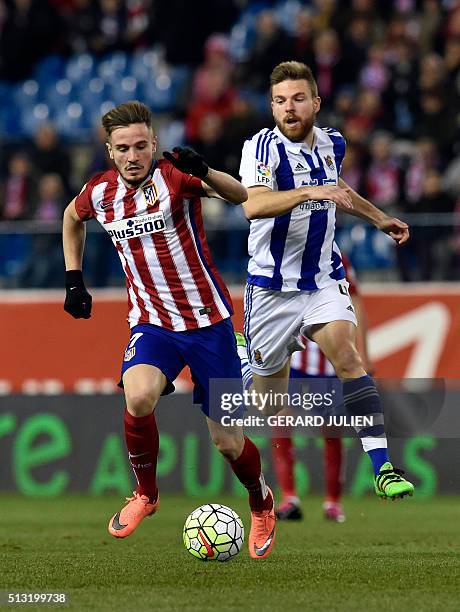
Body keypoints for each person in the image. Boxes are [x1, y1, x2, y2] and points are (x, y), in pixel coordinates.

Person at [62, 100, 276, 559]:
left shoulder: (174, 177)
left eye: (141, 145)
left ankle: (261, 502)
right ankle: (146, 494)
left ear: (153, 143)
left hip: (209, 325)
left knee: (227, 442)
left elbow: (244, 198)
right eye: (124, 148)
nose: (134, 155)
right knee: (137, 395)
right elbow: (70, 218)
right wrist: (73, 278)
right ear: (110, 151)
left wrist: (209, 171)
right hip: (152, 323)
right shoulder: (99, 193)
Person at [238, 61, 414, 500]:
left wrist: (379, 218)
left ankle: (383, 468)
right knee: (268, 404)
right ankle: (245, 359)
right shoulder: (260, 150)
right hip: (271, 289)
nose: (289, 109)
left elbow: (339, 190)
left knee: (348, 357)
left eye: (298, 99)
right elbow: (253, 207)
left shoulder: (333, 142)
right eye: (280, 101)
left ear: (316, 102)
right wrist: (309, 191)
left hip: (321, 279)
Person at [272, 254, 373, 522]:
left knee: (331, 429)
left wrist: (363, 353)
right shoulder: (281, 251)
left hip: (327, 360)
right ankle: (289, 498)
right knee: (280, 421)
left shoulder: (336, 256)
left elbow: (356, 302)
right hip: (292, 356)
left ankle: (332, 502)